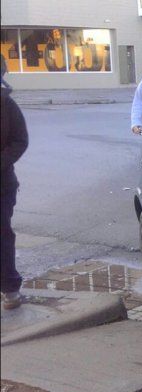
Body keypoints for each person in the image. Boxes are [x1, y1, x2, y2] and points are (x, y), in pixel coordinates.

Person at [1, 56, 28, 310]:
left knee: (2, 233)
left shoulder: (7, 105)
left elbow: (21, 140)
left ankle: (10, 288)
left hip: (2, 185)